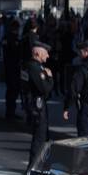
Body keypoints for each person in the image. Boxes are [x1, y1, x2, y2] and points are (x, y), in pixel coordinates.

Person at [22, 39, 56, 168]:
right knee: (39, 140)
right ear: (37, 53)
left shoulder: (30, 66)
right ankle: (32, 168)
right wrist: (50, 77)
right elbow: (45, 88)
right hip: (37, 107)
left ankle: (39, 166)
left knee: (43, 138)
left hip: (35, 105)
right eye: (45, 53)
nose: (47, 56)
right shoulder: (34, 68)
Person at [2, 16, 23, 120]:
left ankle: (10, 111)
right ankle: (10, 112)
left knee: (11, 90)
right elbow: (16, 53)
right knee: (13, 90)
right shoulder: (14, 39)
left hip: (8, 67)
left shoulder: (6, 37)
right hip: (13, 68)